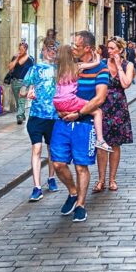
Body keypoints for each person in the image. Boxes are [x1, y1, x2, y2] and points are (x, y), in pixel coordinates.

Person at [50, 31, 109, 224]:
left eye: (76, 46)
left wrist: (79, 113)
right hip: (62, 121)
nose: (73, 48)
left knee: (81, 166)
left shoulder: (100, 70)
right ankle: (73, 192)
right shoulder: (67, 67)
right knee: (58, 164)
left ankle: (81, 205)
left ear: (87, 48)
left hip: (83, 123)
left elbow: (99, 98)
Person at [53, 45, 114, 154]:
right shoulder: (76, 67)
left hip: (57, 103)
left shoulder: (58, 70)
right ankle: (100, 140)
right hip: (69, 100)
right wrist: (98, 58)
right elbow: (95, 64)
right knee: (97, 111)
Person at [95, 37, 135, 193]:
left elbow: (125, 84)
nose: (109, 51)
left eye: (112, 48)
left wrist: (118, 65)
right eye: (108, 48)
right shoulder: (101, 64)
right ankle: (100, 180)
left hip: (118, 108)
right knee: (101, 144)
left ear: (120, 49)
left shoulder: (128, 65)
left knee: (115, 145)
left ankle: (112, 179)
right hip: (102, 106)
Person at [22, 40, 59, 202]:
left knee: (51, 150)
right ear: (43, 51)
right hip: (36, 116)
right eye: (48, 49)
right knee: (36, 150)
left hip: (54, 116)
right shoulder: (34, 69)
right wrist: (27, 92)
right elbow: (23, 89)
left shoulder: (60, 70)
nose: (51, 52)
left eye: (54, 49)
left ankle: (51, 177)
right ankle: (37, 187)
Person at [3, 42, 34, 124]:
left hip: (24, 82)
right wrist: (17, 58)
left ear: (26, 50)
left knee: (21, 100)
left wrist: (31, 84)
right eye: (19, 49)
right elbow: (10, 67)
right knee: (18, 100)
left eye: (22, 49)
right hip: (15, 81)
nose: (20, 51)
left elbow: (32, 72)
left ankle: (19, 116)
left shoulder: (30, 59)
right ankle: (22, 114)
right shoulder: (15, 57)